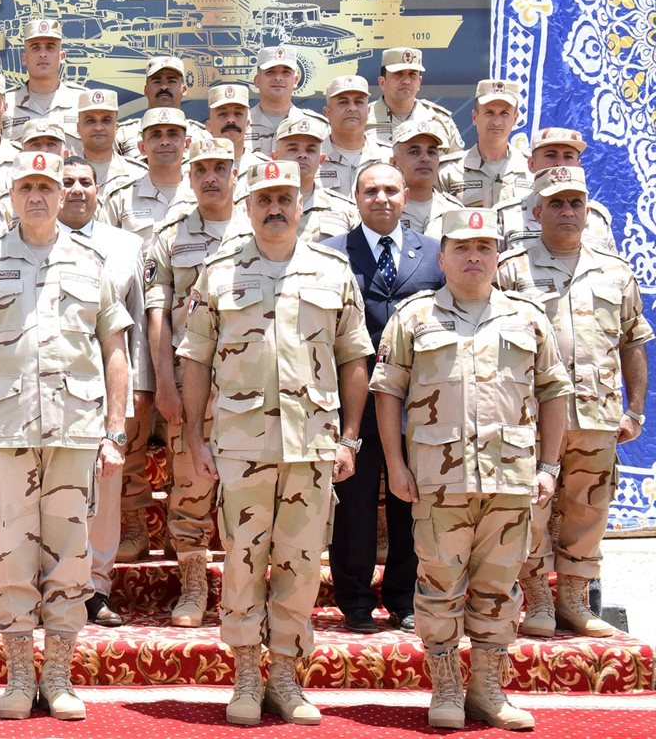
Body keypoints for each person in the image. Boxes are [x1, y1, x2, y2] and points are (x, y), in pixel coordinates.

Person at [178, 160, 372, 727]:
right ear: (247, 206)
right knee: (242, 560)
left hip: (312, 444)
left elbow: (353, 357)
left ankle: (285, 675)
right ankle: (245, 674)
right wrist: (195, 438)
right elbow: (196, 359)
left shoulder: (332, 271)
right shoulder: (218, 273)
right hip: (242, 445)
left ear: (301, 202)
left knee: (301, 563)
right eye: (264, 199)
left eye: (285, 197)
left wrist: (350, 439)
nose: (275, 208)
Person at [0, 151, 132, 721]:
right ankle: (19, 674)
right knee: (10, 554)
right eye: (26, 187)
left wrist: (115, 431)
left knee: (71, 556)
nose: (36, 196)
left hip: (75, 433)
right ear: (11, 195)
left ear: (61, 195)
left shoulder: (91, 261)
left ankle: (57, 675)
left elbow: (115, 351)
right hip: (6, 434)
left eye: (46, 187)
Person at [371, 207, 569, 731]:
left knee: (499, 587)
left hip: (511, 477)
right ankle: (446, 689)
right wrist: (395, 464)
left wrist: (549, 465)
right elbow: (387, 392)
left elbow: (554, 392)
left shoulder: (527, 318)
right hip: (439, 480)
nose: (474, 256)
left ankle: (487, 690)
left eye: (484, 247)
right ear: (442, 258)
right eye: (462, 247)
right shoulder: (413, 317)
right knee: (439, 585)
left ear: (497, 256)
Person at [496, 166, 654, 639]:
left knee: (588, 509)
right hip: (531, 417)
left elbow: (632, 343)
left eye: (575, 203)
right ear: (537, 211)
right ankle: (538, 599)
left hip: (596, 416)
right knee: (531, 508)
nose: (567, 211)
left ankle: (573, 600)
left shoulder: (615, 272)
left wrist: (635, 411)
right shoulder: (511, 269)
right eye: (557, 203)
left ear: (587, 211)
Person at [320, 161, 443, 634]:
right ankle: (354, 600)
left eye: (391, 190)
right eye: (371, 191)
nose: (382, 199)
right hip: (353, 401)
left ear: (406, 196)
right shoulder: (332, 254)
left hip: (419, 403)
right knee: (353, 505)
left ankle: (403, 597)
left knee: (410, 502)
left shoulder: (433, 255)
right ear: (356, 198)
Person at [142, 138, 249, 628]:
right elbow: (158, 316)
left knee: (249, 489)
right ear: (189, 176)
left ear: (234, 173)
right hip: (191, 382)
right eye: (201, 169)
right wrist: (165, 382)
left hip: (251, 383)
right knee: (189, 486)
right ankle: (193, 586)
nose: (211, 177)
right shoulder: (170, 237)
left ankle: (246, 590)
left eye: (220, 168)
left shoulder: (259, 227)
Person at [56, 158, 152, 626]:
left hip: (104, 389)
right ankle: (50, 584)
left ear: (99, 190)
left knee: (104, 490)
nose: (76, 189)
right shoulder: (26, 241)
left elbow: (137, 321)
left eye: (85, 182)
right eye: (66, 182)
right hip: (43, 390)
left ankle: (95, 586)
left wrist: (139, 387)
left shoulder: (126, 245)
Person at [496, 127, 617, 250]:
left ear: (578, 165)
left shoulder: (597, 217)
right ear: (532, 164)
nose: (560, 163)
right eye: (551, 155)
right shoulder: (507, 216)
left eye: (568, 156)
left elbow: (612, 262)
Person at [100, 106, 193, 238]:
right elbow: (102, 245)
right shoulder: (120, 199)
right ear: (142, 147)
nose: (165, 142)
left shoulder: (200, 195)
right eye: (156, 135)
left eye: (173, 134)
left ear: (187, 144)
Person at [439, 79, 531, 207]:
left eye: (504, 113)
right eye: (489, 113)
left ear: (515, 118)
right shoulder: (448, 172)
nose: (497, 122)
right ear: (474, 117)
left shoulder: (532, 170)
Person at [274, 115, 360, 244]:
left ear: (321, 160)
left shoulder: (345, 210)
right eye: (292, 149)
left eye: (310, 150)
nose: (302, 155)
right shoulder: (255, 207)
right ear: (275, 158)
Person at [365, 47, 464, 154]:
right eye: (398, 73)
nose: (406, 81)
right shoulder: (364, 120)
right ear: (382, 82)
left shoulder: (440, 121)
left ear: (419, 82)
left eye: (412, 74)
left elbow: (457, 161)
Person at [115, 55, 211, 160]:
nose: (164, 87)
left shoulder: (202, 136)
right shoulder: (123, 135)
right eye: (157, 81)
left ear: (184, 89)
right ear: (146, 90)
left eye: (171, 81)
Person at [7, 18, 84, 142]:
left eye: (50, 47)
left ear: (62, 57)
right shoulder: (4, 105)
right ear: (24, 58)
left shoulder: (82, 101)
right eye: (35, 48)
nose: (43, 54)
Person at [245, 45, 326, 157]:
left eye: (286, 72)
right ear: (257, 80)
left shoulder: (317, 126)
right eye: (270, 72)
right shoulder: (240, 124)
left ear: (295, 81)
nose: (278, 78)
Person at [316, 75, 390, 197]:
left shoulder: (387, 157)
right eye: (343, 102)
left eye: (359, 102)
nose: (352, 108)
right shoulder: (313, 158)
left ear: (368, 111)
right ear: (327, 112)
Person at [391, 121, 461, 236]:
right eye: (414, 152)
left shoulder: (455, 211)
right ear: (394, 162)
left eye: (431, 152)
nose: (426, 158)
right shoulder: (383, 210)